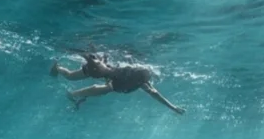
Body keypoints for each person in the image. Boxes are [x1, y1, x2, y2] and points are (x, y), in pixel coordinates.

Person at [50, 47, 185, 114]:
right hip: (99, 70)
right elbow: (154, 93)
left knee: (104, 87)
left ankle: (70, 88)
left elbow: (155, 93)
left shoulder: (142, 80)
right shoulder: (137, 74)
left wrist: (173, 108)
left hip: (103, 72)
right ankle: (57, 68)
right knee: (70, 76)